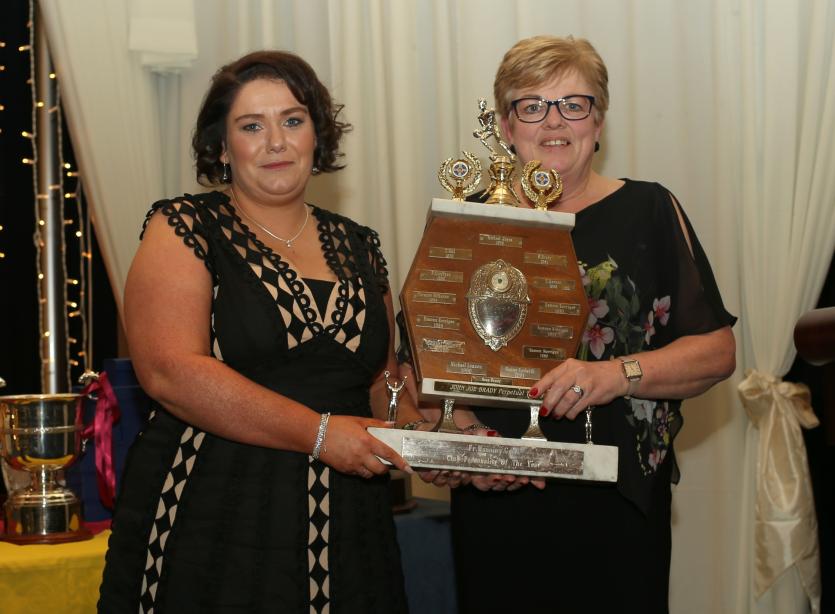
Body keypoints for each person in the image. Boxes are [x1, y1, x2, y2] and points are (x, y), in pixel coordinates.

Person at [98, 50, 426, 613]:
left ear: (316, 137)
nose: (276, 141)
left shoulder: (360, 245)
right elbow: (170, 372)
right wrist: (322, 435)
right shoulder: (184, 226)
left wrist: (436, 437)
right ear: (222, 148)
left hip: (350, 522)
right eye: (252, 126)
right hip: (216, 513)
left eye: (293, 120)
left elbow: (379, 384)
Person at [441, 35, 737, 613]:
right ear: (506, 125)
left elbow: (716, 351)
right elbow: (426, 370)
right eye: (532, 105)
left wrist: (616, 374)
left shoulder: (648, 209)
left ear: (599, 121)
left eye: (574, 104)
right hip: (498, 503)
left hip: (618, 507)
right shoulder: (469, 218)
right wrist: (464, 443)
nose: (554, 122)